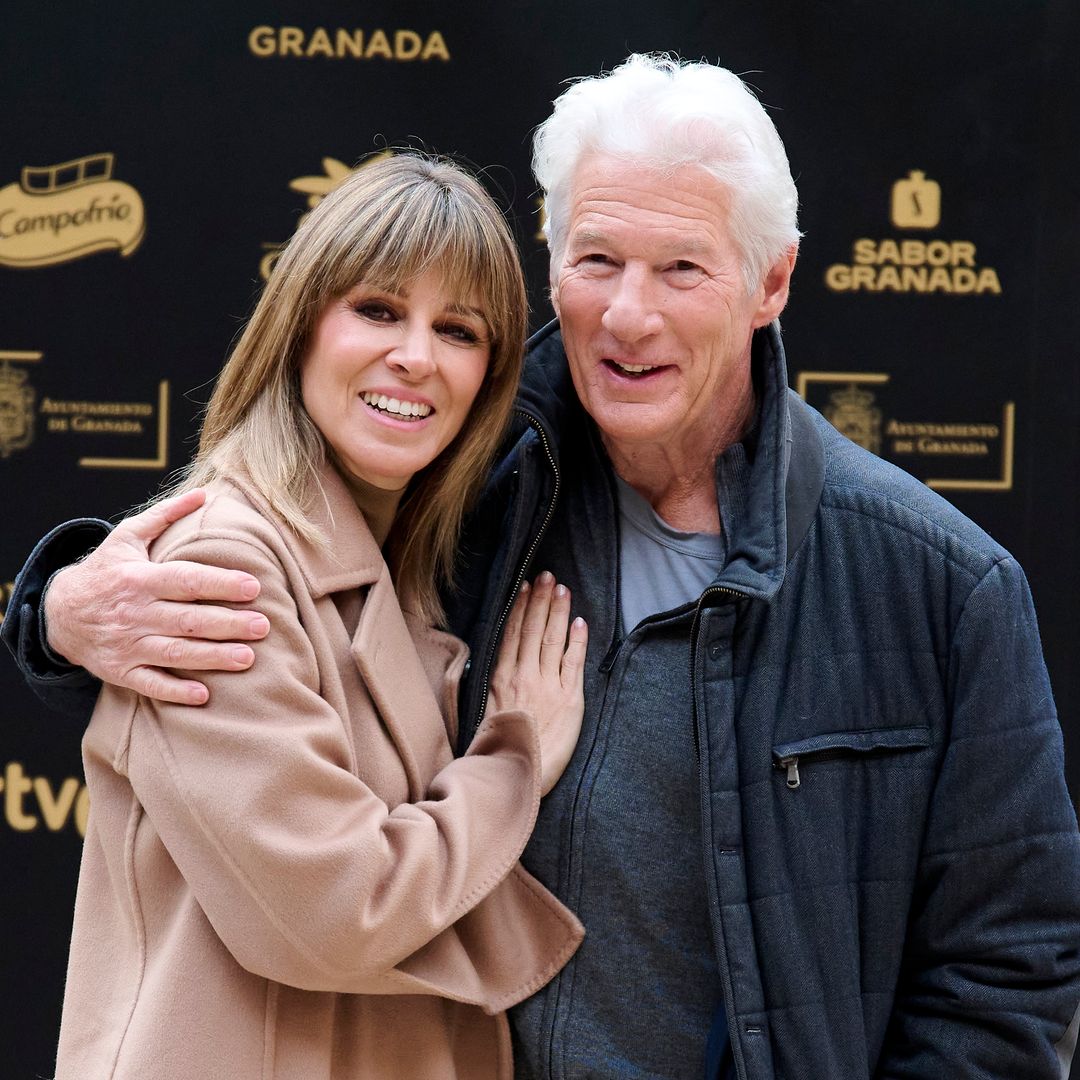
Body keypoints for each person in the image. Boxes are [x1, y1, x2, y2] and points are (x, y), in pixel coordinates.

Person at [6, 54, 1080, 1079]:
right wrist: (56, 611)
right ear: (553, 263)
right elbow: (246, 601)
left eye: (682, 270)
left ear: (773, 282)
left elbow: (1005, 975)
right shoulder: (469, 487)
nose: (628, 314)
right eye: (598, 260)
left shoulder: (939, 585)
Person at [15, 152, 593, 1080]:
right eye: (377, 309)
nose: (415, 354)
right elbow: (338, 909)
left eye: (458, 329)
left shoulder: (398, 564)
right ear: (300, 324)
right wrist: (515, 757)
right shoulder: (225, 565)